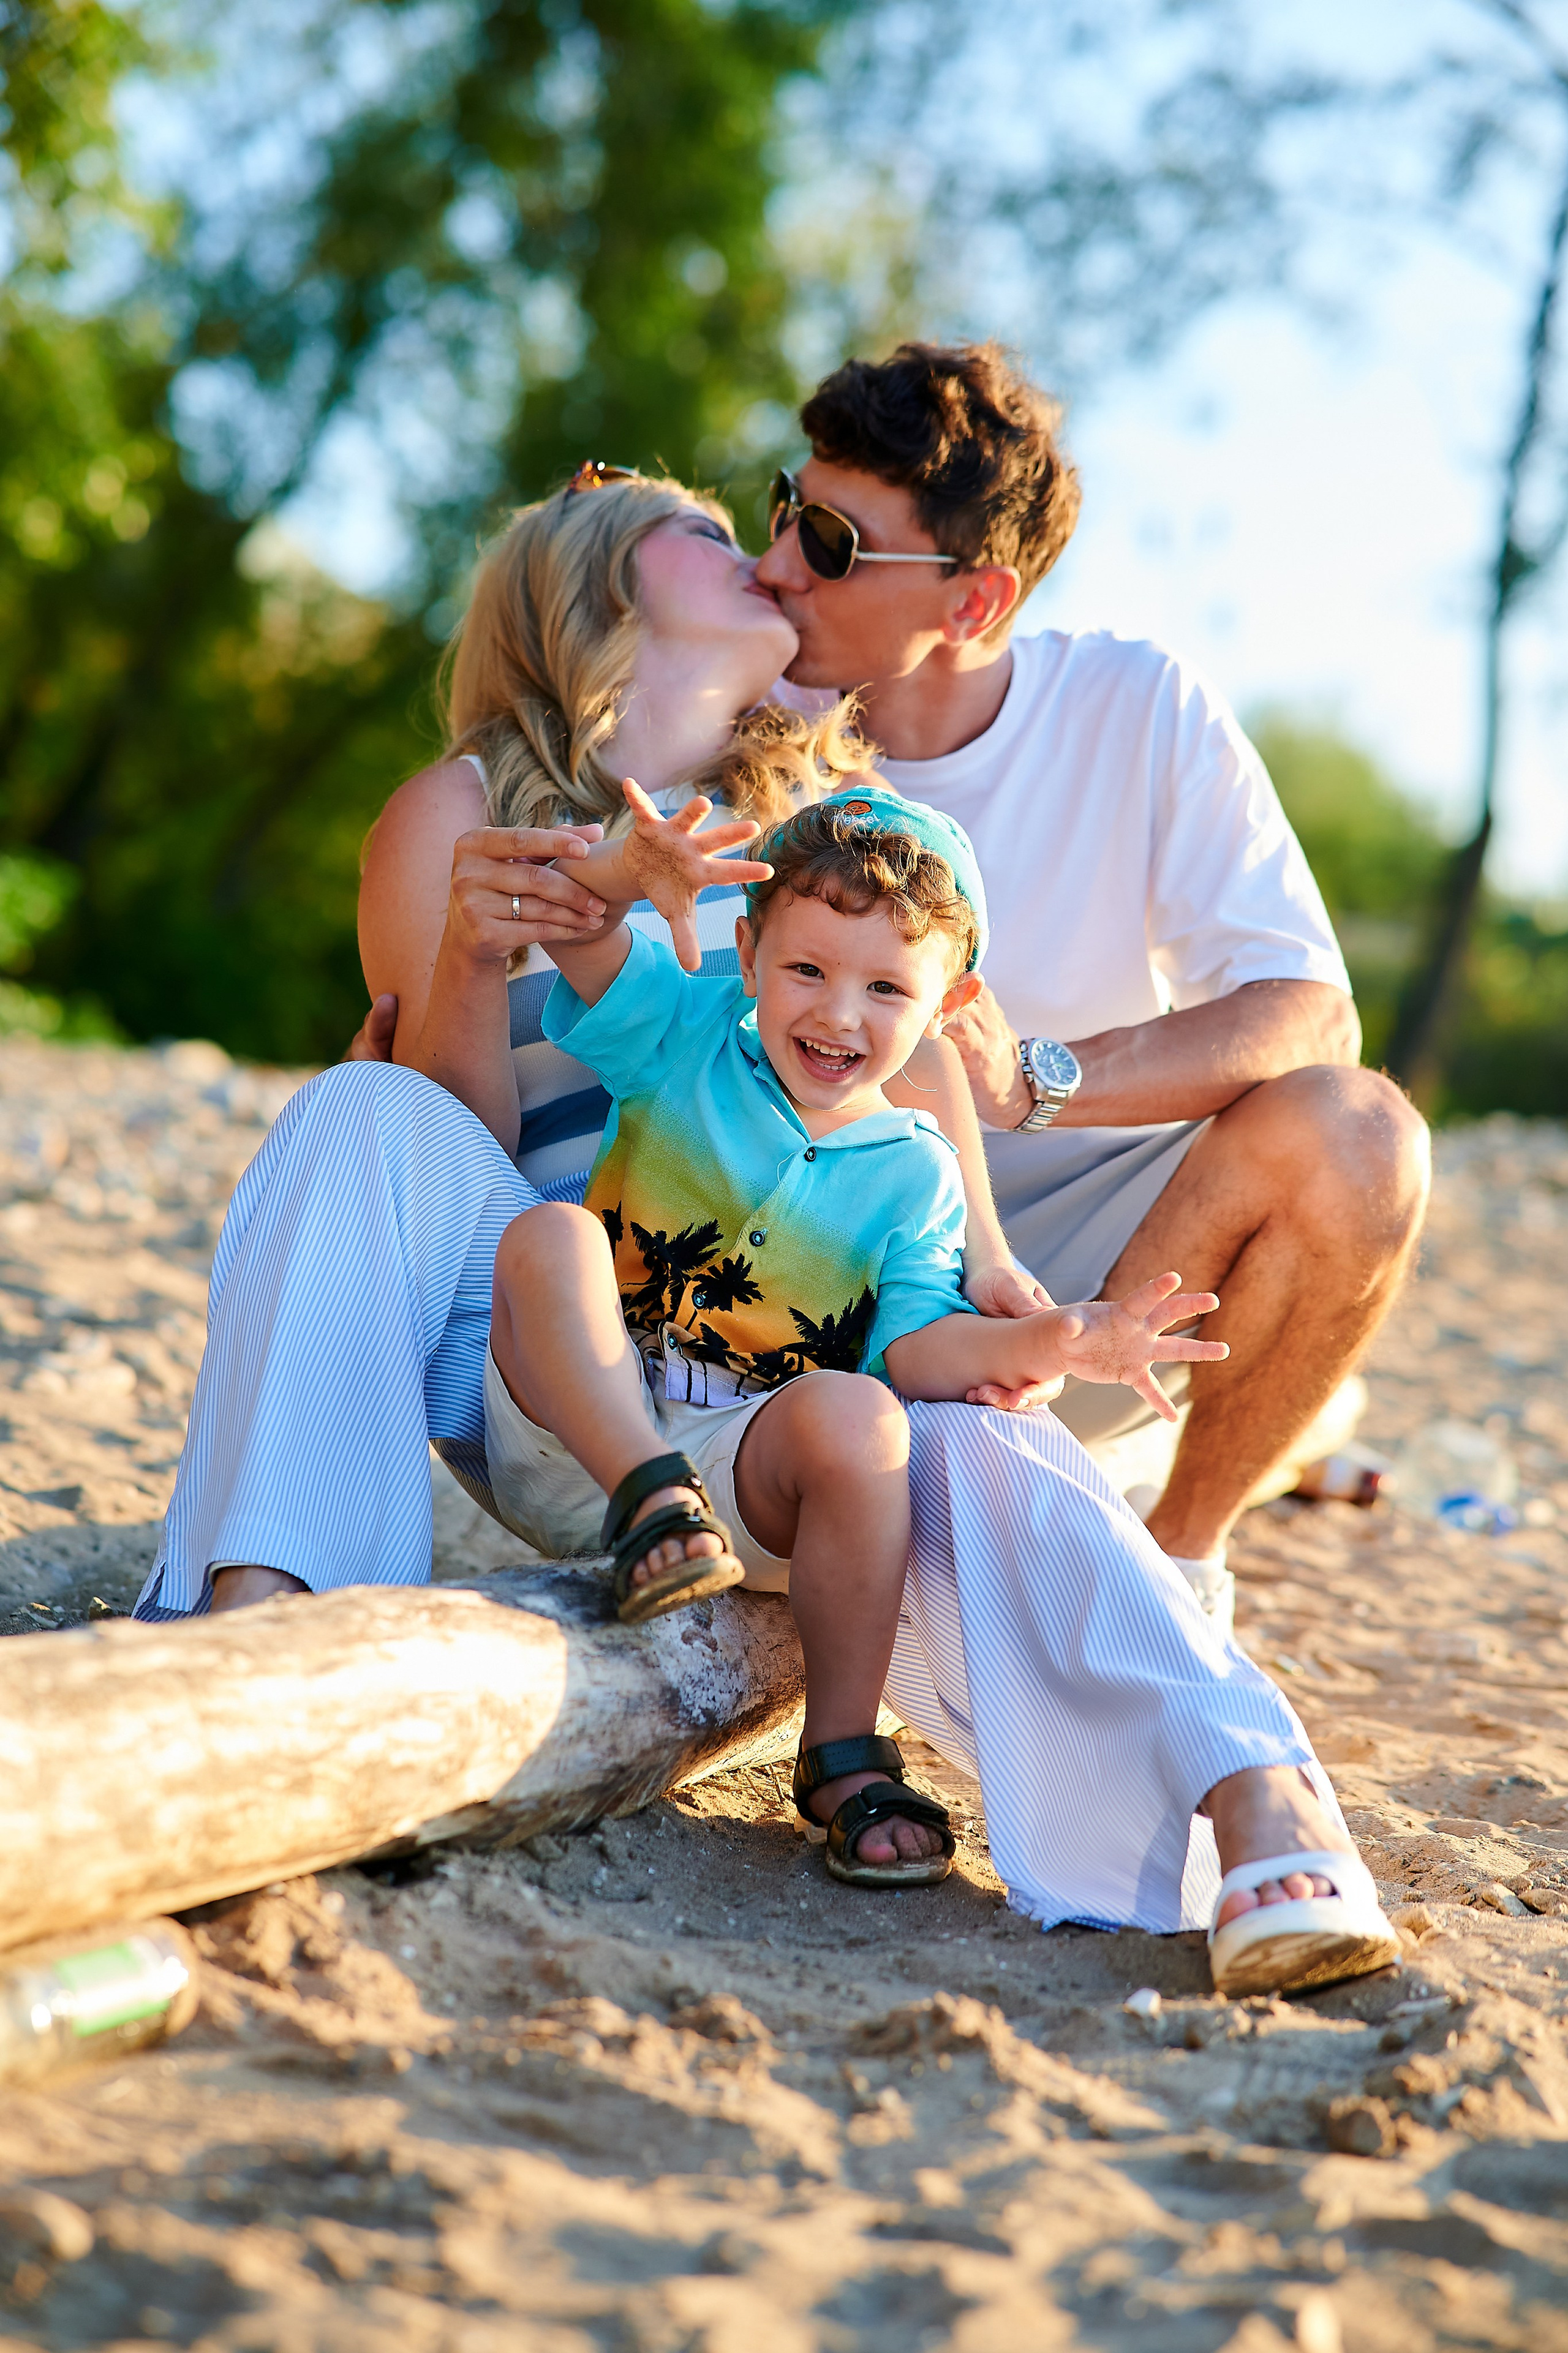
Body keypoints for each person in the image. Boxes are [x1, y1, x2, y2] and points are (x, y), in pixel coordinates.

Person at [138, 464, 1399, 1993]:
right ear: (596, 581)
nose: (770, 554)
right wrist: (476, 950)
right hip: (551, 1332)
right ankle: (260, 1619)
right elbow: (454, 1140)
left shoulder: (814, 822)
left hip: (777, 1362)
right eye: (711, 533)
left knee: (973, 1430)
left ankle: (1247, 1793)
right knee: (361, 1111)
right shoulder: (459, 809)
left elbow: (909, 1057)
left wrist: (989, 1261)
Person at [750, 342, 1433, 1622]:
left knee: (1361, 1135)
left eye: (832, 543)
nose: (777, 561)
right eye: (785, 506)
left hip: (1081, 1275)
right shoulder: (731, 698)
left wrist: (1032, 1081)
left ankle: (1177, 1564)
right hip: (805, 1273)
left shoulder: (1136, 705)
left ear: (973, 603)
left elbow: (1308, 1009)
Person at [485, 781, 1226, 1886]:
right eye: (807, 970)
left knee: (864, 1414)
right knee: (552, 1234)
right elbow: (575, 922)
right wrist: (622, 872)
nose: (840, 1015)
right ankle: (647, 1495)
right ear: (747, 955)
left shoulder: (918, 1174)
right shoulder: (685, 1029)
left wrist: (1057, 1341)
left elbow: (918, 1350)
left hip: (736, 1482)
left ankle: (840, 1750)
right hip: (570, 1434)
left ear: (948, 1005)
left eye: (886, 987)